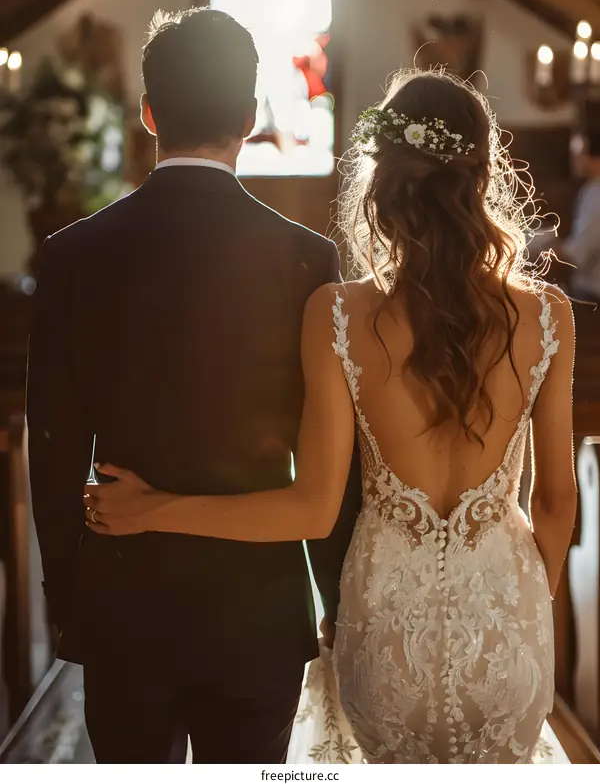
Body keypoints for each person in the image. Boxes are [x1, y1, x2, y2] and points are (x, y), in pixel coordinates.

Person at [85, 69, 578, 764]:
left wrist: (153, 508)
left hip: (385, 632)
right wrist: (524, 601)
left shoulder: (339, 315)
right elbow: (557, 504)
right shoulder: (547, 317)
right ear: (482, 172)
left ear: (382, 183)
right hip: (506, 634)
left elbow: (312, 511)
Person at [27, 7, 361, 764]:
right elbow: (336, 458)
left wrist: (69, 604)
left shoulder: (75, 255)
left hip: (123, 607)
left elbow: (49, 447)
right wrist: (336, 600)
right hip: (258, 611)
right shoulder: (305, 258)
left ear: (148, 114)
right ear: (249, 117)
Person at [561, 130, 600, 303]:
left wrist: (544, 248)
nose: (573, 161)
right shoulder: (591, 189)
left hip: (594, 294)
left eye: (578, 154)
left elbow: (579, 252)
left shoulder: (596, 193)